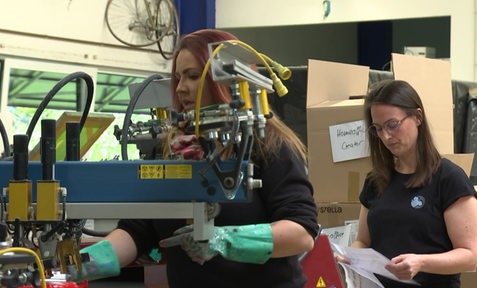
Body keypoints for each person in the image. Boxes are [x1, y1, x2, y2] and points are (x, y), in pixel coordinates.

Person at [78, 29, 319, 287]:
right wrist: (77, 266)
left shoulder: (269, 145)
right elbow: (137, 231)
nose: (181, 88)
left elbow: (301, 232)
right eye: (178, 78)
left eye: (193, 76)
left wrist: (225, 240)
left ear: (227, 81)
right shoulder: (171, 149)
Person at [338, 79, 477, 288]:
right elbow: (363, 241)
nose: (386, 136)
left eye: (392, 125)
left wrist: (421, 262)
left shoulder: (449, 179)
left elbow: (469, 256)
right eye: (377, 129)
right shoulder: (375, 181)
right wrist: (351, 258)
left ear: (417, 117)